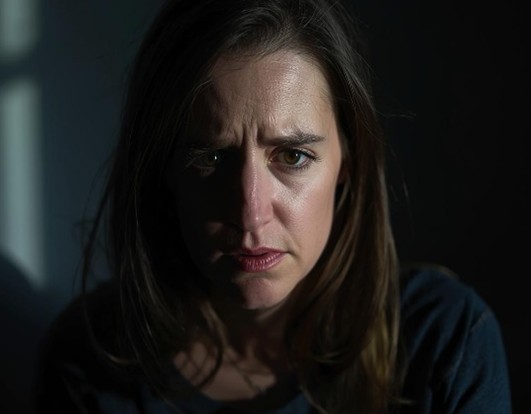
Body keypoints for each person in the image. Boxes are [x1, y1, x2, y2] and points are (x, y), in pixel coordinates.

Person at [34, 0, 511, 413]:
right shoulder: (90, 361)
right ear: (164, 172)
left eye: (293, 156)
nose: (251, 214)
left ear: (348, 162)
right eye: (211, 158)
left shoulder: (443, 342)